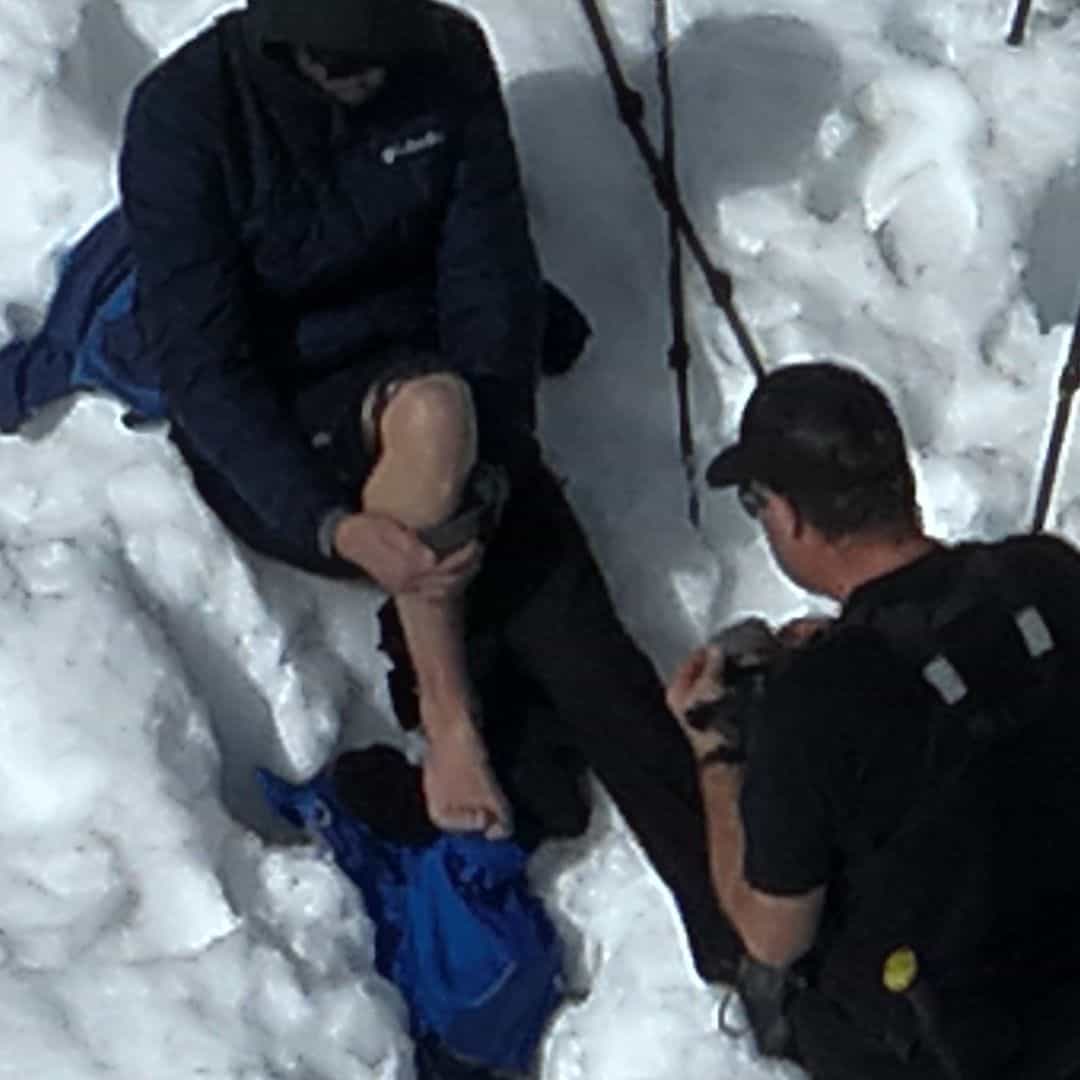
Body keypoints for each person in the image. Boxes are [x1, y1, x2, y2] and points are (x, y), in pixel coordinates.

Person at [118, 0, 741, 985]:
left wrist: (500, 465)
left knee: (574, 628)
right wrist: (330, 524)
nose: (372, 79)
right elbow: (206, 373)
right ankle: (453, 725)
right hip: (289, 427)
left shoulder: (446, 56)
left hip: (432, 376)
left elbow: (490, 281)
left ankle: (727, 929)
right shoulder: (186, 117)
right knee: (436, 419)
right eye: (345, 65)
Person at [667, 360, 1080, 1079]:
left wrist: (716, 758)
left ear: (788, 514)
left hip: (951, 1045)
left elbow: (772, 936)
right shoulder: (1045, 576)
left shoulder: (818, 702)